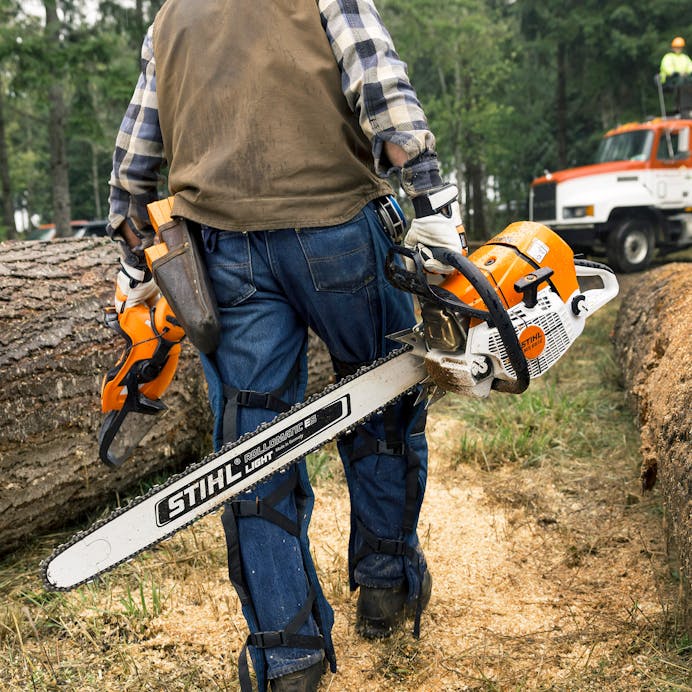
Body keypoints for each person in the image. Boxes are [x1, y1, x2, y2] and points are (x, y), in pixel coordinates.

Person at [106, 2, 463, 690]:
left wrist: (131, 263)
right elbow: (380, 86)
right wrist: (432, 202)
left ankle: (287, 651)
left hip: (224, 253)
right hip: (339, 233)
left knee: (252, 446)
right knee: (382, 398)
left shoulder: (170, 15)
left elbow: (135, 156)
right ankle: (386, 582)